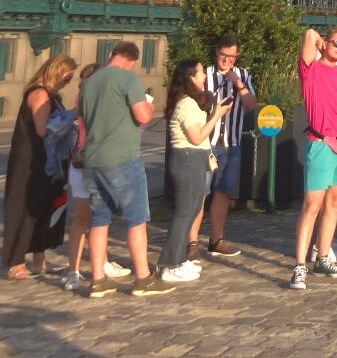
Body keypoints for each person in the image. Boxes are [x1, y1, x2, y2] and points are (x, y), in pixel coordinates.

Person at [79, 42, 174, 297]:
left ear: (111, 55)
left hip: (93, 159)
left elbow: (83, 120)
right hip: (122, 157)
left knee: (99, 219)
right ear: (133, 60)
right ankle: (143, 278)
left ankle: (98, 279)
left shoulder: (89, 83)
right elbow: (143, 116)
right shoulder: (127, 78)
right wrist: (149, 105)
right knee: (136, 218)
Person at [290, 27, 337, 289]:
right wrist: (322, 41)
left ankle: (323, 255)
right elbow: (308, 33)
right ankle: (299, 265)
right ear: (326, 44)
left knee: (334, 203)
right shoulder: (311, 70)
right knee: (312, 205)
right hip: (321, 143)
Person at [4, 54, 78, 280]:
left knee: (46, 208)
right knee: (26, 209)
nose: (69, 81)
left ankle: (39, 259)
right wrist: (74, 113)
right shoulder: (40, 94)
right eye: (68, 77)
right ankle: (16, 263)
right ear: (57, 72)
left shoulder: (52, 96)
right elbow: (43, 130)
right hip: (33, 162)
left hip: (48, 162)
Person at [159, 59, 233, 282]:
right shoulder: (186, 104)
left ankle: (180, 260)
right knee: (184, 213)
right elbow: (197, 136)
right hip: (187, 159)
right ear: (190, 77)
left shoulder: (192, 102)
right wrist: (217, 115)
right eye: (200, 73)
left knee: (191, 211)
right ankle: (168, 263)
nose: (203, 77)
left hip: (196, 158)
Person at [187, 33, 257, 262]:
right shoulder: (204, 74)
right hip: (206, 142)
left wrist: (239, 84)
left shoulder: (244, 75)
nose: (227, 61)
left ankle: (216, 239)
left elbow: (250, 106)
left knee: (222, 193)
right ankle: (191, 242)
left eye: (232, 57)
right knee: (199, 193)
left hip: (232, 142)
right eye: (223, 55)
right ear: (216, 52)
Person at [61, 64, 131, 290]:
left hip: (81, 161)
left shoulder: (82, 97)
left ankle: (79, 269)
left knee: (84, 218)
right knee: (98, 217)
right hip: (97, 162)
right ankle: (94, 267)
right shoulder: (101, 100)